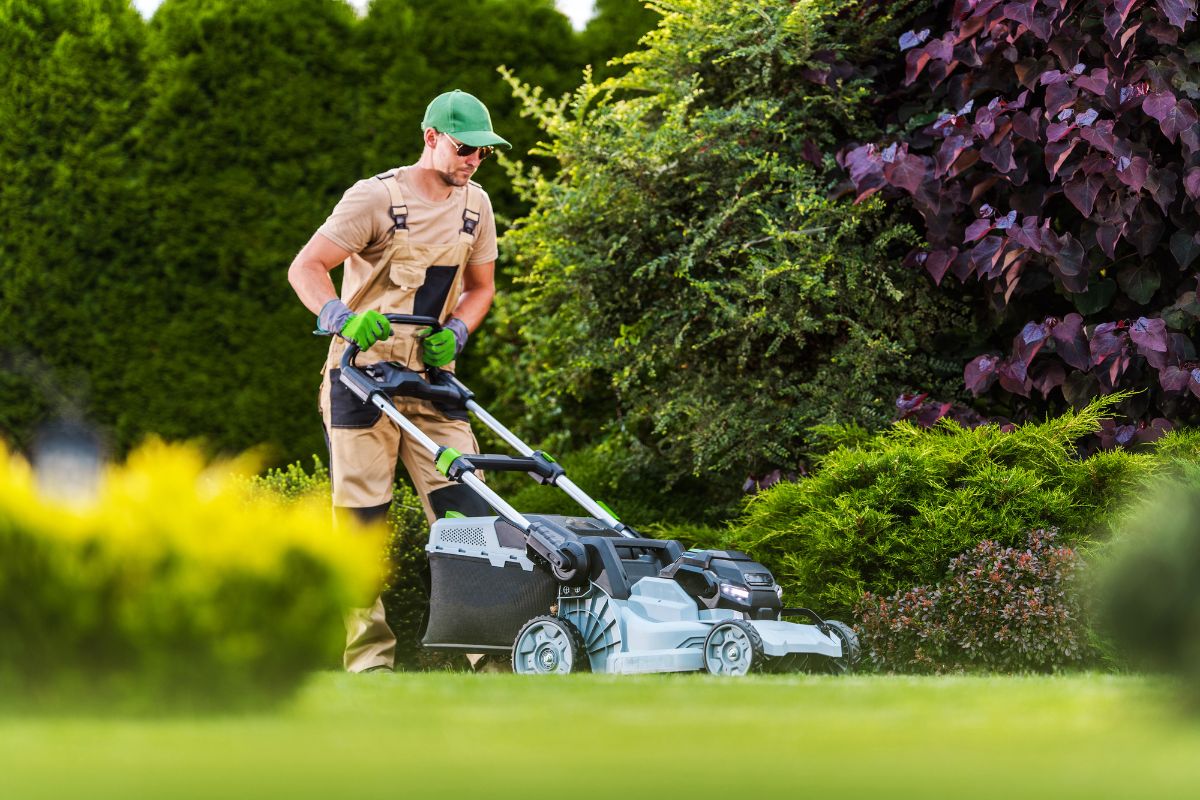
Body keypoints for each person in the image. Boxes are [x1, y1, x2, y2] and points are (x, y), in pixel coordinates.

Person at [287, 90, 509, 673]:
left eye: (483, 154)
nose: (473, 163)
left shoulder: (476, 206)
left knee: (469, 514)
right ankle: (370, 663)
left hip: (431, 379)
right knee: (362, 523)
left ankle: (487, 656)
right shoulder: (375, 199)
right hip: (360, 376)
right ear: (432, 137)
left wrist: (457, 332)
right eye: (465, 149)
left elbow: (481, 287)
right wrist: (340, 317)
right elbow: (305, 267)